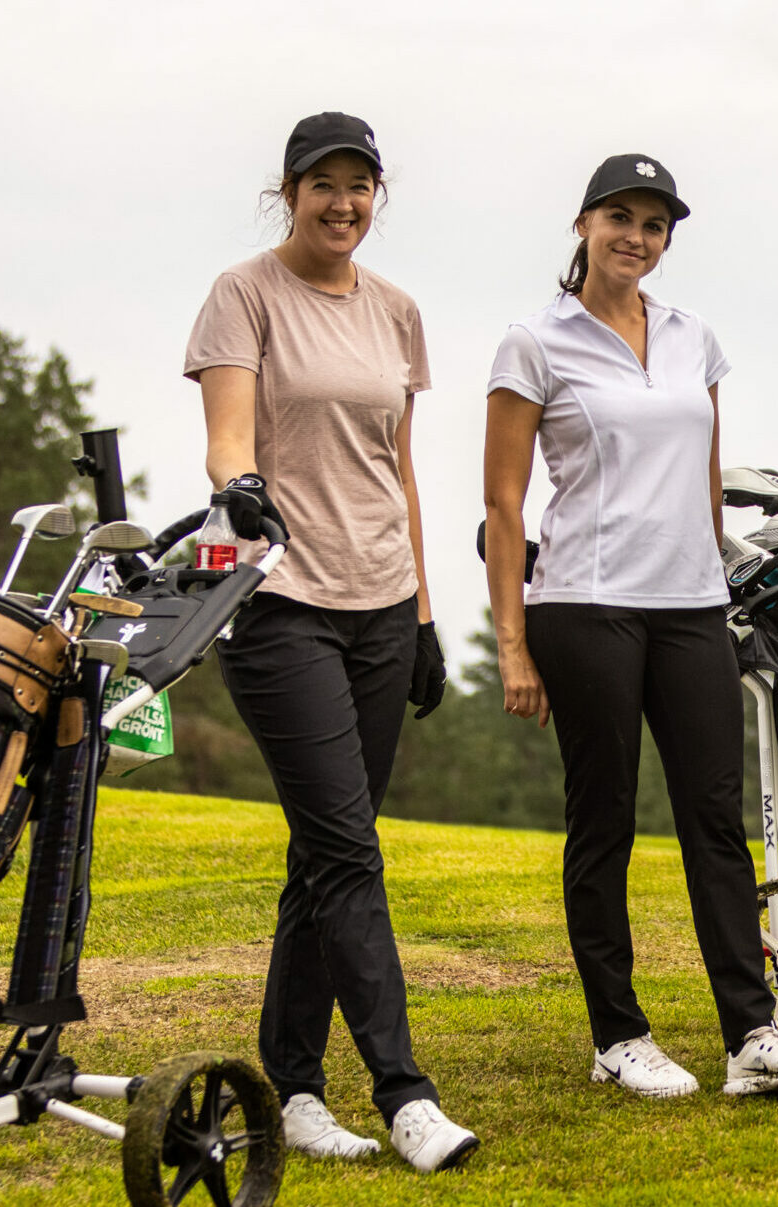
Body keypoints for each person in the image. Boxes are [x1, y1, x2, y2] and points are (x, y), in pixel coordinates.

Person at [485, 154, 778, 1100]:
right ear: (583, 225)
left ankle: (752, 1035)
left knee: (714, 821)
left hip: (691, 608)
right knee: (601, 821)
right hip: (584, 607)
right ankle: (618, 1034)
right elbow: (504, 504)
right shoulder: (534, 342)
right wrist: (514, 644)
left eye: (654, 222)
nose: (636, 236)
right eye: (619, 216)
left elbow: (704, 477)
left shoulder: (695, 340)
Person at [183, 111, 475, 1171]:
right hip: (278, 601)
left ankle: (294, 1088)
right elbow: (227, 433)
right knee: (350, 849)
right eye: (324, 185)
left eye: (360, 187)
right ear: (289, 190)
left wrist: (430, 617)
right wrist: (238, 488)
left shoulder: (398, 313)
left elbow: (397, 474)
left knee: (321, 852)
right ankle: (405, 1093)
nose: (343, 203)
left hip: (382, 604)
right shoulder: (244, 293)